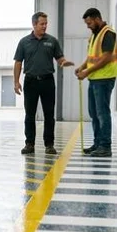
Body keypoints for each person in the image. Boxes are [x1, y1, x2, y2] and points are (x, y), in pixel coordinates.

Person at [13, 12, 75, 155]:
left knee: (49, 114)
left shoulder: (52, 41)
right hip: (30, 82)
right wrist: (16, 82)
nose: (45, 26)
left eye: (46, 23)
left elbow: (60, 58)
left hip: (47, 81)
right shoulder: (24, 42)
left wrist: (64, 62)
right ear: (34, 24)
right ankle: (29, 144)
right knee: (30, 114)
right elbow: (18, 62)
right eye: (42, 24)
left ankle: (49, 144)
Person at [75, 8, 117, 157]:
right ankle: (98, 143)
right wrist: (82, 67)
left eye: (89, 23)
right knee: (93, 112)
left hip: (104, 78)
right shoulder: (95, 35)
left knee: (102, 113)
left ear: (97, 19)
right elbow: (91, 57)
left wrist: (86, 72)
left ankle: (105, 146)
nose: (88, 26)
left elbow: (106, 58)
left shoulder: (108, 33)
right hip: (95, 78)